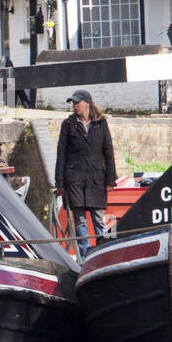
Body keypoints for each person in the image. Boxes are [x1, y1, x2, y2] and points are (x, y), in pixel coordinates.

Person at [54, 89, 117, 254]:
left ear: (87, 103)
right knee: (80, 220)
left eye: (77, 102)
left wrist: (111, 180)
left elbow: (108, 152)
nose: (75, 106)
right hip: (74, 178)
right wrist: (59, 183)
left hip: (96, 178)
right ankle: (84, 256)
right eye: (73, 103)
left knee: (98, 219)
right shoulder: (68, 125)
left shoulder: (101, 124)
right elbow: (61, 155)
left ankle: (103, 253)